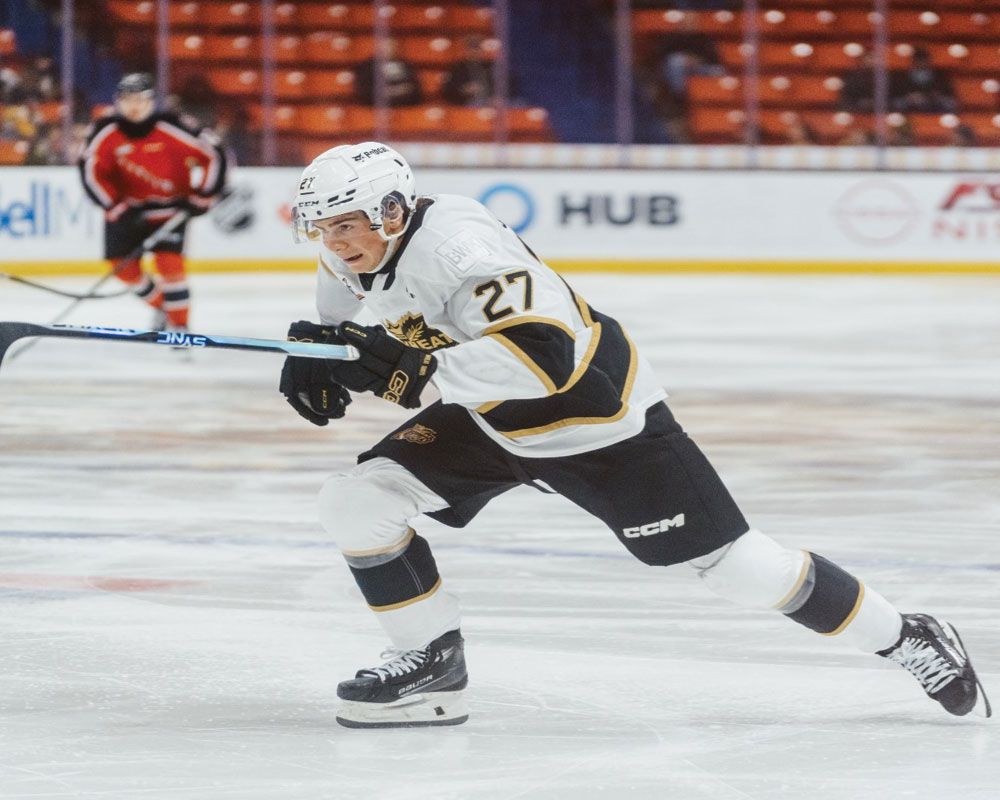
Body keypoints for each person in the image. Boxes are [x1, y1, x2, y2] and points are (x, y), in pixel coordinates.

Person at [279, 142, 992, 729]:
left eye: (349, 225)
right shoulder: (351, 256)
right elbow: (356, 333)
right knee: (356, 501)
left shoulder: (463, 248)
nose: (337, 244)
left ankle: (907, 638)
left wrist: (417, 374)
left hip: (599, 424)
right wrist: (319, 357)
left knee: (739, 569)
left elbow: (545, 358)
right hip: (493, 417)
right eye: (325, 229)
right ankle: (431, 664)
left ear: (394, 210)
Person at [78, 73, 228, 333]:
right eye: (127, 100)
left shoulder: (174, 126)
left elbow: (215, 155)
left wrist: (203, 195)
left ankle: (180, 327)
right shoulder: (105, 131)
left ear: (152, 101)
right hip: (127, 210)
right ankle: (163, 308)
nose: (134, 106)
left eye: (140, 99)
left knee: (170, 266)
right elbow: (91, 171)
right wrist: (115, 207)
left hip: (169, 212)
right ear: (117, 102)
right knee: (122, 269)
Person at [353, 37, 423, 108]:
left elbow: (415, 90)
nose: (390, 49)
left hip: (404, 107)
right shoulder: (366, 67)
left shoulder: (407, 66)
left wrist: (391, 91)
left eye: (392, 46)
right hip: (374, 109)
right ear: (379, 48)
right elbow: (364, 91)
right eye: (386, 46)